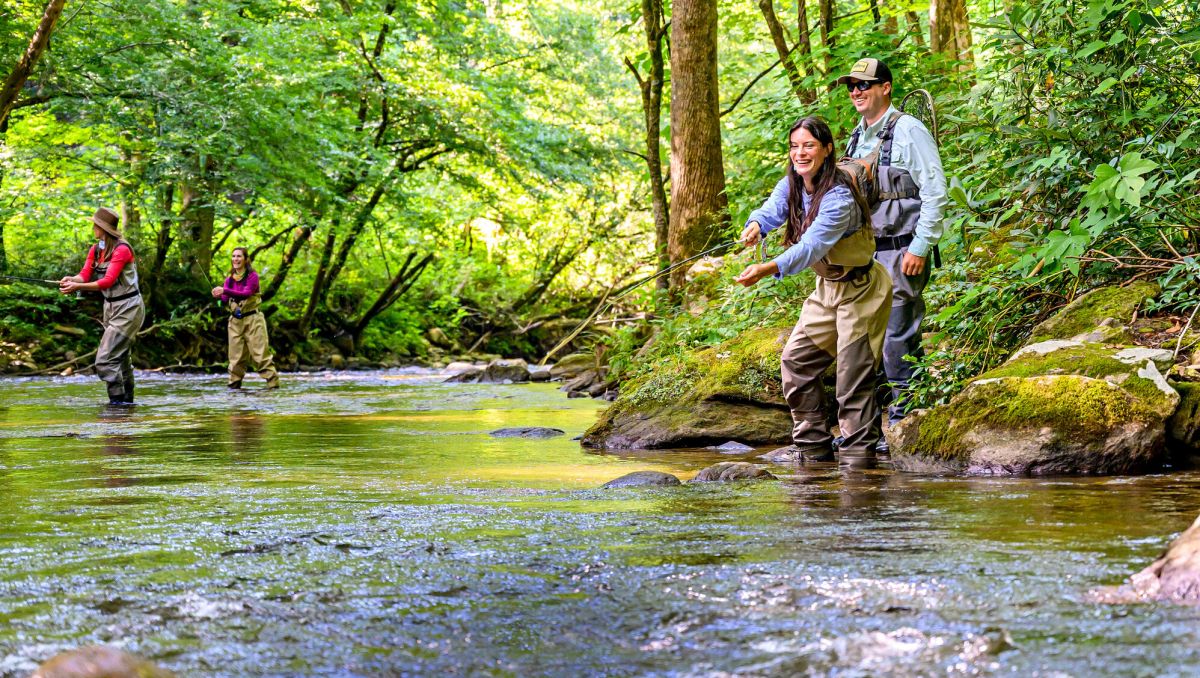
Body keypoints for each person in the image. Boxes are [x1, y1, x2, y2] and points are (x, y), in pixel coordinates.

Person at [736, 116, 893, 467]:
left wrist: (766, 269)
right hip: (827, 289)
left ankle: (859, 466)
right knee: (796, 361)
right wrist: (756, 226)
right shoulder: (791, 184)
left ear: (827, 149)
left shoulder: (839, 197)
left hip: (863, 290)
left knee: (852, 379)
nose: (800, 153)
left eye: (808, 145)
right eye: (794, 146)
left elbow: (810, 247)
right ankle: (814, 452)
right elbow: (771, 210)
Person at [836, 57, 947, 438]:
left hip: (902, 251)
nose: (856, 92)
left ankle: (906, 423)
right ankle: (868, 427)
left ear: (886, 88)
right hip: (863, 256)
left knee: (898, 337)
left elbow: (935, 191)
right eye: (852, 86)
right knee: (863, 340)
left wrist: (920, 246)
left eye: (864, 85)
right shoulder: (856, 136)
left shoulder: (910, 130)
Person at [59, 208, 146, 405]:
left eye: (96, 224)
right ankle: (127, 406)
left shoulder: (122, 250)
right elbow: (84, 275)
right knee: (121, 358)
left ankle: (117, 403)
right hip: (111, 308)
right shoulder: (96, 249)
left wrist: (78, 287)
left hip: (129, 308)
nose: (93, 227)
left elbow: (107, 281)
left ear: (104, 228)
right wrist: (72, 280)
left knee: (105, 360)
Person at [211, 247, 279, 389]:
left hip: (253, 319)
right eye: (233, 256)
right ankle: (234, 390)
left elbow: (246, 294)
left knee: (260, 356)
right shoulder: (229, 280)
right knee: (235, 359)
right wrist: (218, 296)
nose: (235, 259)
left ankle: (273, 387)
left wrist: (225, 290)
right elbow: (224, 300)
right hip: (235, 322)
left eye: (239, 256)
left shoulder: (252, 276)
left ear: (245, 259)